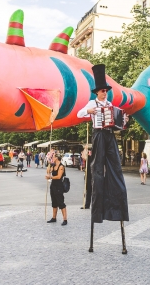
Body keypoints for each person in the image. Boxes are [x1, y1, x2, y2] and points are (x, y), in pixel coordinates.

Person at [76, 64, 129, 225]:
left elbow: (118, 121)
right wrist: (89, 112)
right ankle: (96, 202)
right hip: (98, 135)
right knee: (98, 166)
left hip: (109, 135)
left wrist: (123, 121)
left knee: (115, 164)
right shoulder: (92, 104)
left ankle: (117, 196)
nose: (105, 93)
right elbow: (79, 113)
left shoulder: (111, 105)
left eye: (106, 90)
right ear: (97, 92)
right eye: (103, 91)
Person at [45, 154, 68, 225]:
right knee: (54, 202)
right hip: (53, 186)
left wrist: (50, 177)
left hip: (59, 186)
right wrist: (49, 164)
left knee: (61, 202)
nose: (52, 158)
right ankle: (54, 217)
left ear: (57, 158)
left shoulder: (61, 166)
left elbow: (58, 176)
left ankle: (65, 219)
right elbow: (48, 172)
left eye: (53, 157)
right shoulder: (53, 165)